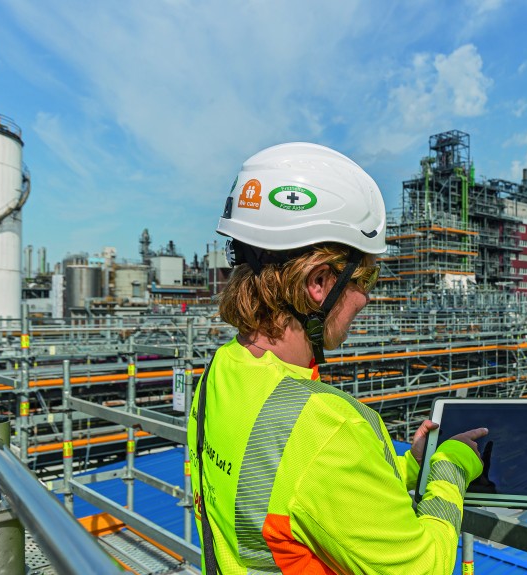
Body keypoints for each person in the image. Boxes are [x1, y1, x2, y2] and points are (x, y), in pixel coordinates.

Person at [188, 142, 488, 575]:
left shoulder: (221, 370)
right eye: (363, 279)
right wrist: (447, 469)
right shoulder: (328, 427)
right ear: (320, 282)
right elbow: (425, 567)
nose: (366, 298)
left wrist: (409, 467)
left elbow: (300, 492)